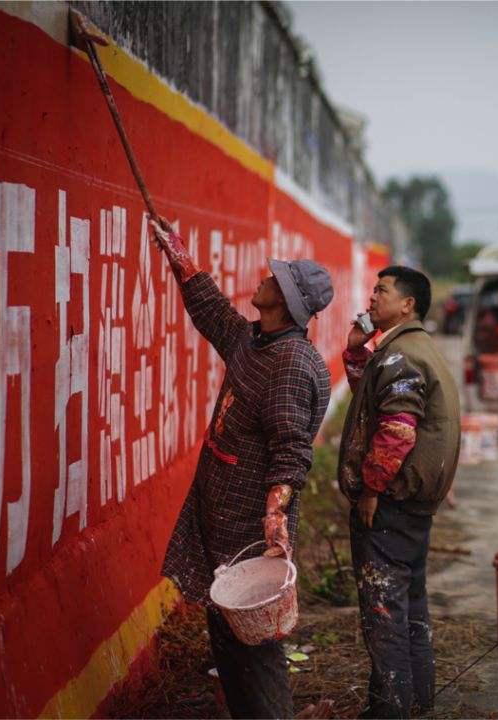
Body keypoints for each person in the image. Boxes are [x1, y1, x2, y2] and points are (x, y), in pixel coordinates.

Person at [152, 220, 333, 719]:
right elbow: (214, 314)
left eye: (275, 279)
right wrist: (179, 256)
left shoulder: (291, 364)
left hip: (251, 532)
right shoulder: (258, 341)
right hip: (223, 517)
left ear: (286, 302)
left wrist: (274, 521)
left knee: (254, 644)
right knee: (228, 637)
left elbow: (291, 450)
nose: (263, 279)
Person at [338, 266, 462, 719]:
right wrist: (357, 351)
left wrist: (371, 489)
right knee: (410, 607)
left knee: (385, 614)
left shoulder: (402, 357)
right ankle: (417, 702)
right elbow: (372, 402)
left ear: (407, 304)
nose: (372, 297)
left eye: (382, 291)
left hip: (392, 504)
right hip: (413, 506)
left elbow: (395, 431)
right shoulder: (407, 351)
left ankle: (390, 711)